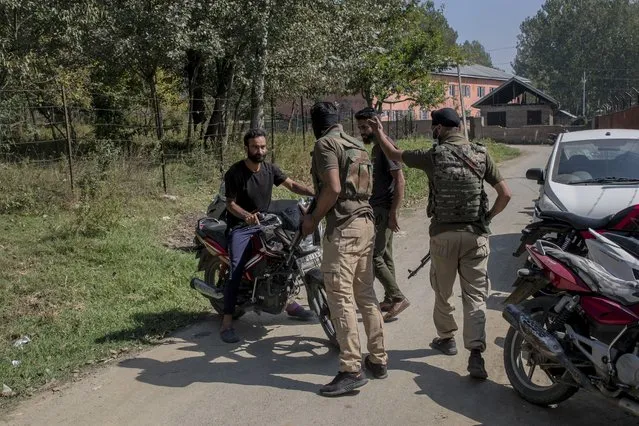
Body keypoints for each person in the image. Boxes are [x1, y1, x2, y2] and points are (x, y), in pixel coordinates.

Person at [372, 108, 512, 380]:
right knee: (475, 297)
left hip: (443, 237)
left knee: (443, 291)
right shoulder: (482, 154)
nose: (432, 132)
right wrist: (487, 217)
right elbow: (505, 194)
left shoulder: (433, 156)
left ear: (439, 128)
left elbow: (393, 154)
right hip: (475, 237)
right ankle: (475, 354)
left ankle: (446, 339)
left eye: (433, 127)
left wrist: (379, 131)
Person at [301, 101, 387, 396]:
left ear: (316, 123)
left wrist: (312, 219)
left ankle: (351, 369)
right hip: (366, 223)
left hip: (345, 228)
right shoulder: (355, 142)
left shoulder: (325, 144)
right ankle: (378, 359)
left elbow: (334, 188)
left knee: (341, 298)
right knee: (366, 294)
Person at [220, 128, 316, 343]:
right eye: (255, 146)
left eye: (263, 146)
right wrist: (246, 216)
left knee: (288, 257)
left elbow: (291, 185)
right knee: (236, 270)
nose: (260, 150)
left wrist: (315, 192)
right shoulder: (235, 172)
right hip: (241, 226)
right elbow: (230, 204)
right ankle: (227, 322)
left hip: (267, 222)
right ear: (247, 148)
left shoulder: (269, 169)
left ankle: (287, 301)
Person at [355, 107, 410, 322]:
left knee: (373, 255)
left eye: (365, 127)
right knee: (385, 254)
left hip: (383, 209)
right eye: (360, 127)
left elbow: (400, 180)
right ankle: (389, 298)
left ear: (376, 123)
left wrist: (394, 212)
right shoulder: (378, 147)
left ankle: (397, 298)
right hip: (379, 208)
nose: (362, 131)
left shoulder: (386, 147)